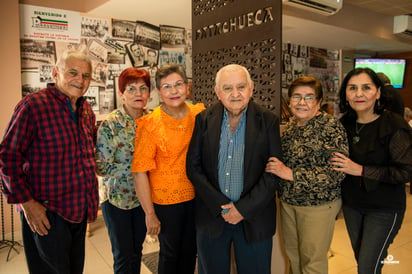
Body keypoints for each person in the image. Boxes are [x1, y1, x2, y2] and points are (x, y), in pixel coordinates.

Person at [0, 50, 99, 274]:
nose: (80, 80)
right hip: (46, 211)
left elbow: (86, 151)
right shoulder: (32, 106)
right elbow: (7, 156)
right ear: (56, 73)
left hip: (78, 209)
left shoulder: (85, 109)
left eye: (86, 75)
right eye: (73, 72)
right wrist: (27, 203)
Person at [186, 64, 282, 274]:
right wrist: (222, 206)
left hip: (254, 219)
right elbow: (193, 167)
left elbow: (274, 173)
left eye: (241, 86)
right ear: (218, 92)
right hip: (212, 216)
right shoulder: (203, 120)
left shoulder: (268, 121)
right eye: (228, 88)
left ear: (251, 88)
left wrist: (242, 209)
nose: (235, 94)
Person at [331, 67, 412, 274]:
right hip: (352, 205)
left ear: (377, 92)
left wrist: (361, 170)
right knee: (364, 261)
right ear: (345, 94)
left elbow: (406, 171)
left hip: (384, 208)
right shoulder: (344, 123)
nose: (359, 94)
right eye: (352, 88)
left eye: (366, 87)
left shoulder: (394, 125)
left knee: (367, 266)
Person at [265, 76, 348, 274]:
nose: (302, 102)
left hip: (317, 206)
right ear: (290, 100)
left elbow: (337, 172)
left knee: (312, 263)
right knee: (294, 258)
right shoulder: (292, 127)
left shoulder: (330, 126)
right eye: (297, 97)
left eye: (309, 97)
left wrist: (291, 174)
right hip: (289, 203)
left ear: (319, 102)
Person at [131, 63, 205, 274]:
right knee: (170, 254)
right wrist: (149, 213)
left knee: (191, 252)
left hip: (196, 197)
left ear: (187, 86)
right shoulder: (151, 123)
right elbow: (139, 172)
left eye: (178, 84)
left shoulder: (199, 114)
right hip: (165, 202)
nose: (174, 91)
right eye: (167, 86)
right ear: (159, 91)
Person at [95, 68, 151, 274]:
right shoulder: (110, 124)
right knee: (123, 255)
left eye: (143, 88)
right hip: (117, 200)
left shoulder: (153, 120)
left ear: (149, 94)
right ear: (121, 93)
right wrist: (139, 168)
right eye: (131, 89)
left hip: (144, 199)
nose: (138, 94)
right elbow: (101, 166)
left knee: (137, 251)